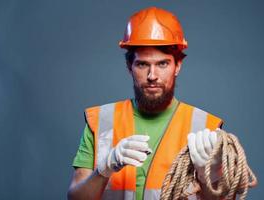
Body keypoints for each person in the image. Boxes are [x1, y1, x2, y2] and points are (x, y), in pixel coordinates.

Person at [68, 7, 224, 200]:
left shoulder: (206, 128)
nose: (152, 76)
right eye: (142, 64)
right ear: (129, 67)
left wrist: (208, 176)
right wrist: (104, 169)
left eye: (162, 64)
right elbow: (76, 197)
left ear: (178, 66)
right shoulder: (101, 121)